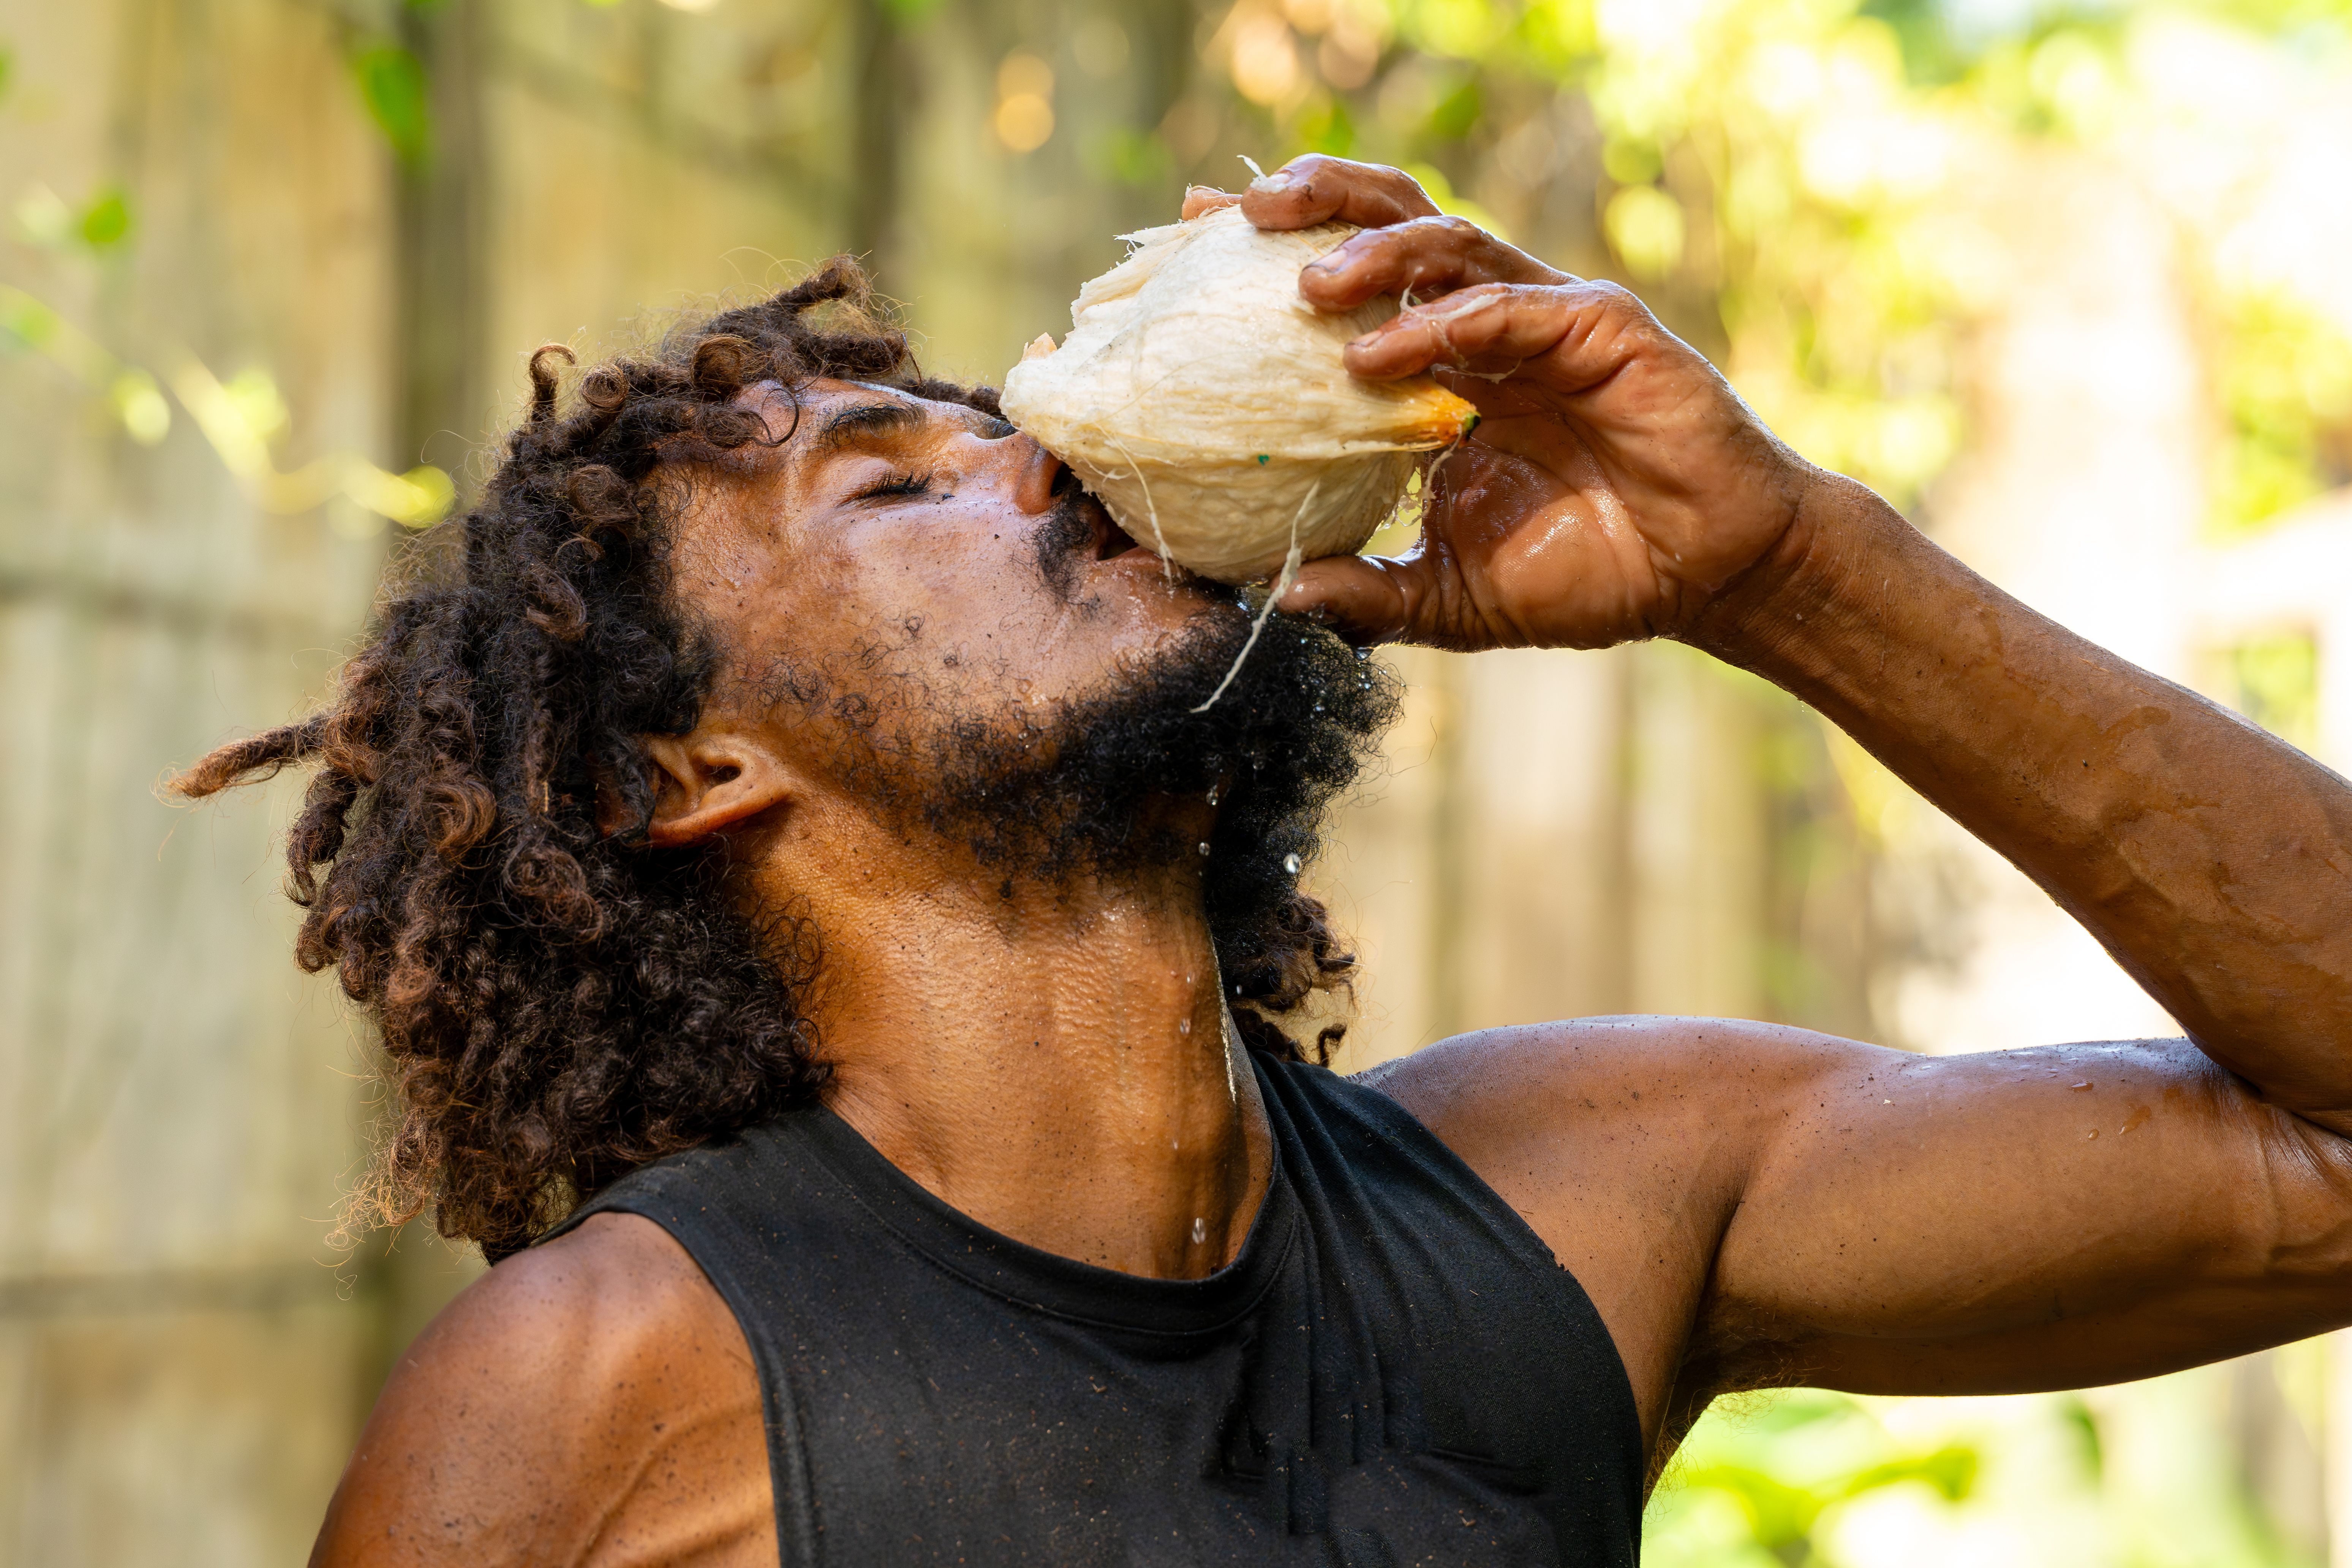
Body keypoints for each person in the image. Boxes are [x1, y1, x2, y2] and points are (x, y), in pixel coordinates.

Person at [182, 158, 2352, 1568]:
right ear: (690, 774)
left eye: (1004, 423)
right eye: (893, 482)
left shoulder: (1582, 1182)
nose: (1044, 460)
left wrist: (1780, 564)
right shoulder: (601, 1391)